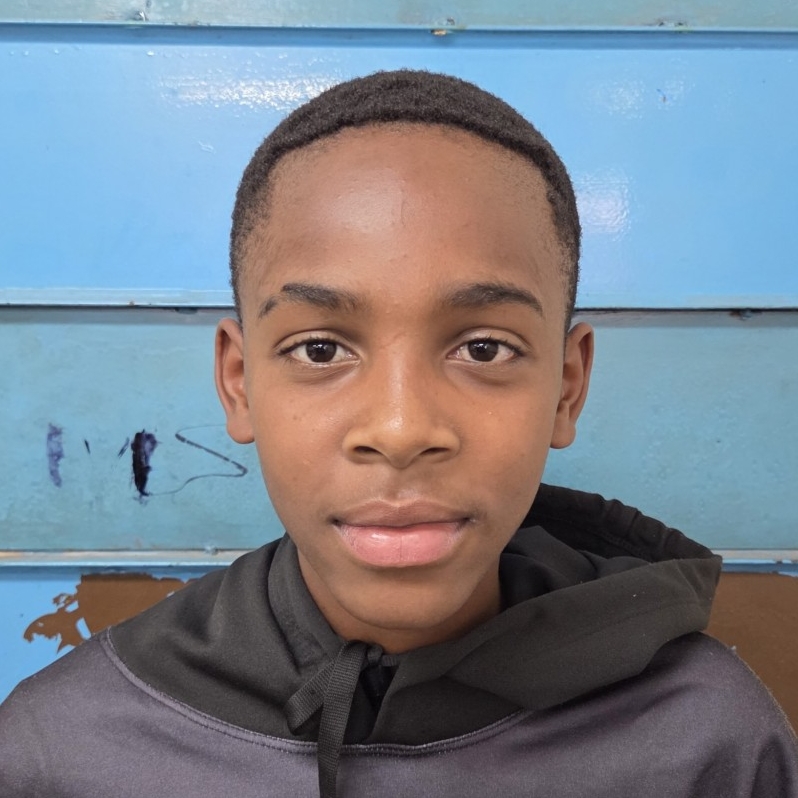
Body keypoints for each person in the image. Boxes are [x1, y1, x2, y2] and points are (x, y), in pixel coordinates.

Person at [1, 69, 796, 798]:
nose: (401, 429)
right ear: (239, 383)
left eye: (483, 349)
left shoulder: (707, 745)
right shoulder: (65, 751)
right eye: (321, 350)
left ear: (567, 385)